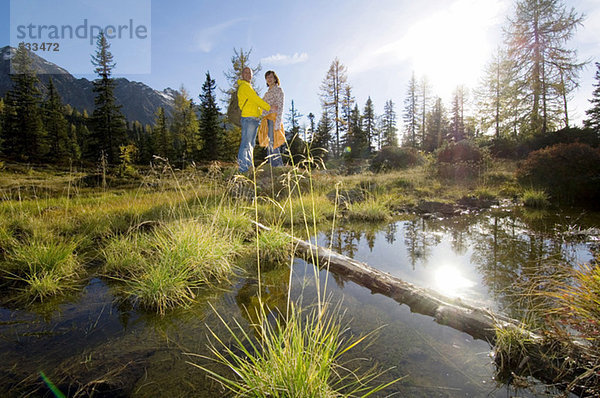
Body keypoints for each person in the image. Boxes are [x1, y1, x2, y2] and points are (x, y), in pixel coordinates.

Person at [237, 67, 273, 173]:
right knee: (246, 144)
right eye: (246, 72)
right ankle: (243, 169)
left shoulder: (249, 87)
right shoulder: (244, 86)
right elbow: (255, 99)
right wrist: (269, 107)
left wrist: (262, 113)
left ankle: (249, 168)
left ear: (252, 76)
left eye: (250, 73)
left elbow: (255, 104)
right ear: (242, 75)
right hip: (248, 118)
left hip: (253, 119)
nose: (248, 74)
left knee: (250, 145)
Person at [258, 70, 285, 167]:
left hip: (274, 119)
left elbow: (280, 107)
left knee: (273, 143)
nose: (269, 79)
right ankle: (271, 165)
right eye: (267, 77)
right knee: (269, 143)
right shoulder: (266, 94)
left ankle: (278, 166)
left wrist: (277, 123)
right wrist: (269, 108)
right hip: (266, 120)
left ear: (275, 78)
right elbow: (262, 109)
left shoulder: (278, 90)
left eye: (271, 77)